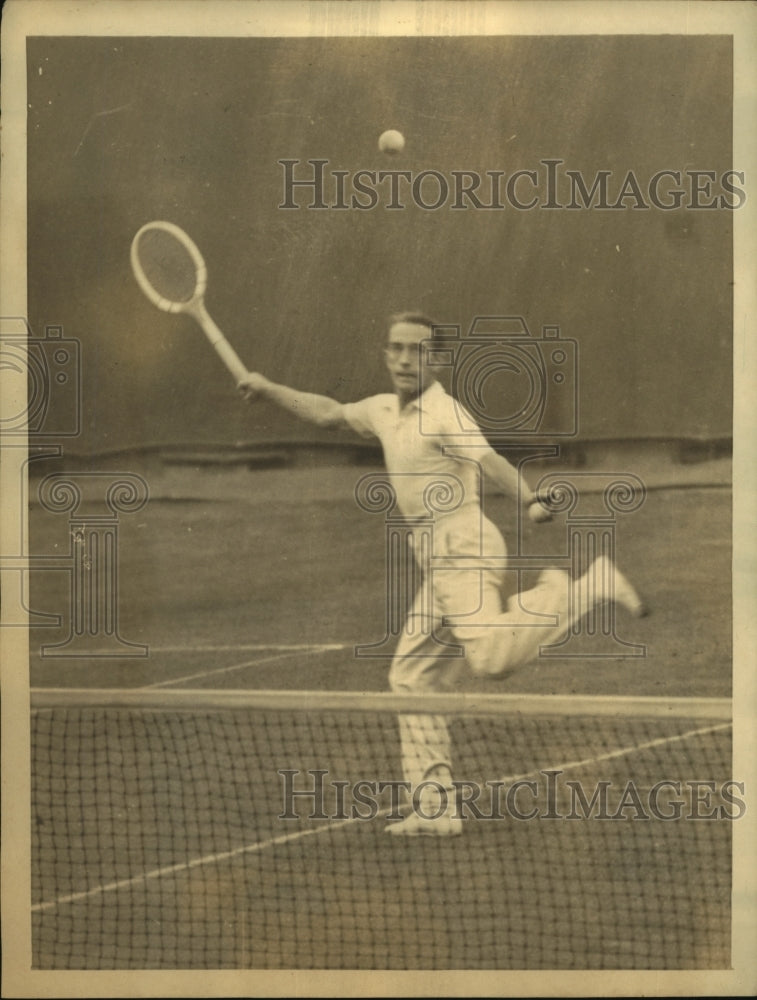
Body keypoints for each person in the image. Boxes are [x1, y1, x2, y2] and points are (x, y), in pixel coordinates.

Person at [238, 312, 646, 837]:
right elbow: (329, 414)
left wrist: (529, 499)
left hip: (464, 548)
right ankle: (436, 808)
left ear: (438, 359)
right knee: (412, 676)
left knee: (491, 660)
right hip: (437, 559)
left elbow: (490, 461)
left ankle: (586, 588)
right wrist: (268, 387)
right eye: (397, 348)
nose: (406, 359)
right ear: (386, 355)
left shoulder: (445, 414)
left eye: (418, 350)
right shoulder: (384, 410)